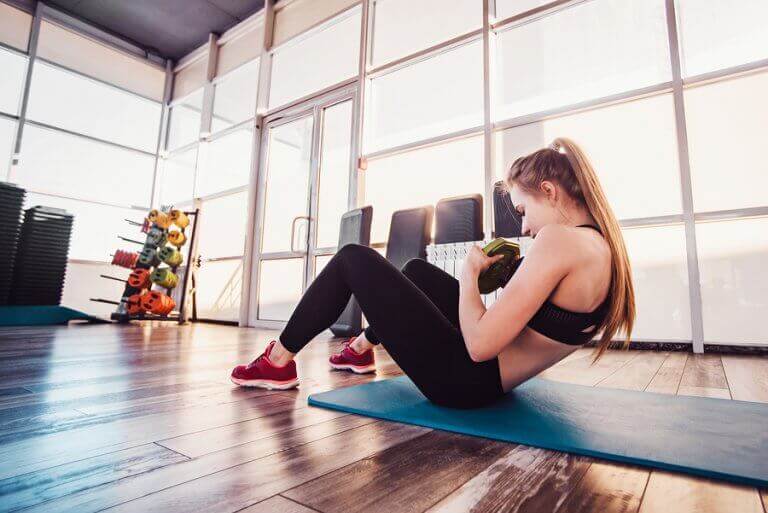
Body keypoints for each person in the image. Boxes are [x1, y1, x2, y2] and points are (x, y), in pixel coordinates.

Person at [231, 137, 635, 409]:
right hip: (492, 381)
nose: (525, 227)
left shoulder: (559, 241)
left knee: (353, 258)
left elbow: (478, 346)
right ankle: (360, 350)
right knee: (417, 272)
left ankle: (278, 361)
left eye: (524, 210)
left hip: (463, 381)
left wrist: (470, 274)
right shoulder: (598, 246)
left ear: (549, 191)